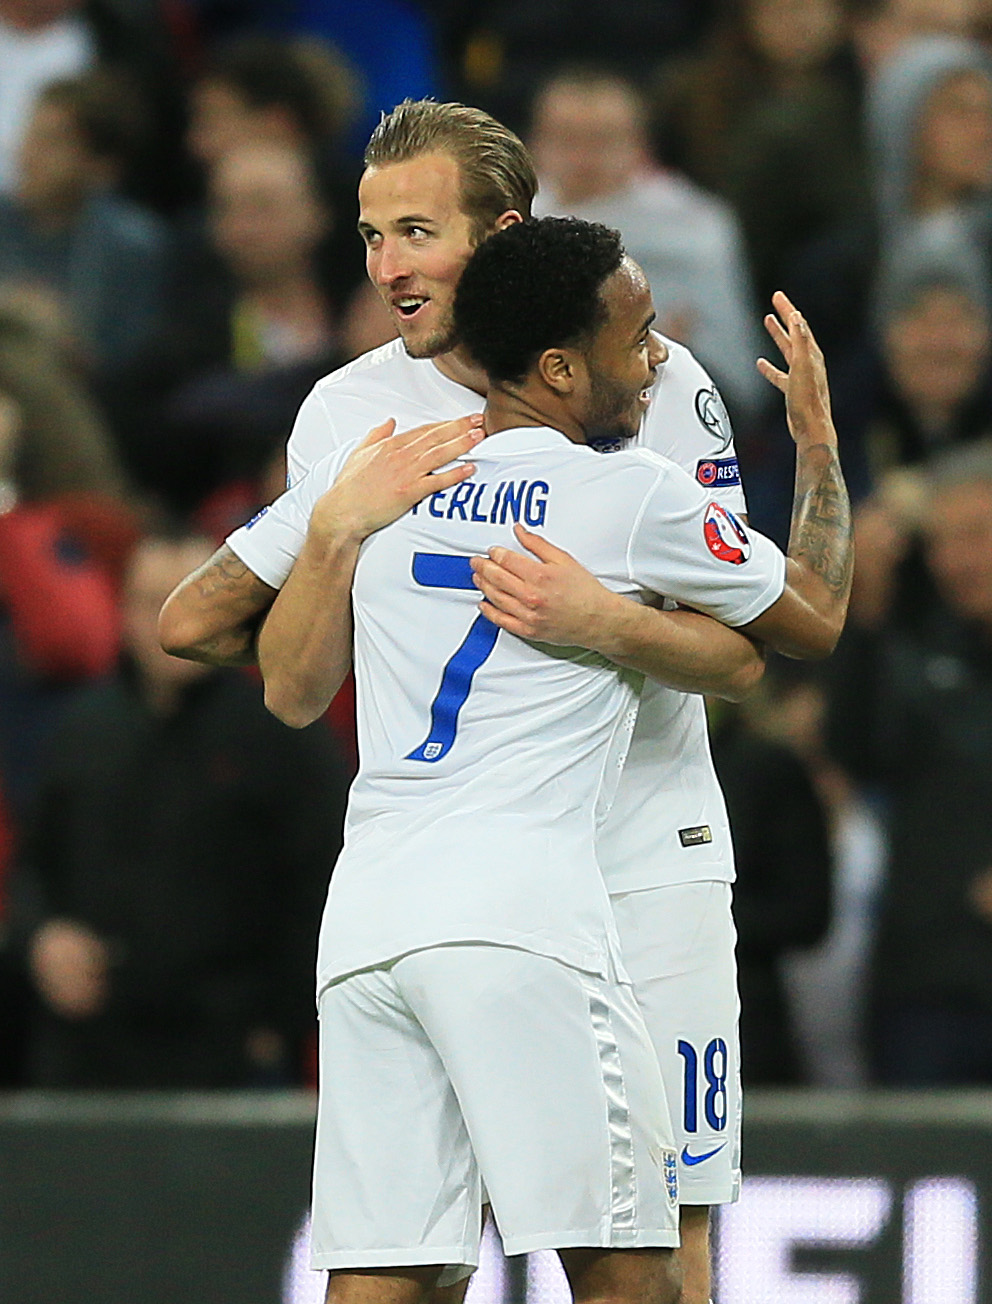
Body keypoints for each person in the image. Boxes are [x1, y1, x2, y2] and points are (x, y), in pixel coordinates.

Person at [158, 99, 851, 1304]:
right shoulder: (345, 410)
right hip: (510, 881)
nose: (387, 267)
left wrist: (603, 623)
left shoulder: (653, 377)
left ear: (505, 234)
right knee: (600, 1257)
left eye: (416, 230)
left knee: (656, 1242)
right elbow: (786, 621)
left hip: (635, 852)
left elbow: (732, 658)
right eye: (372, 235)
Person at [8, 526, 349, 1088]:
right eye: (148, 601)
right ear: (123, 610)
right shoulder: (82, 729)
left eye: (188, 595)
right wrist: (43, 939)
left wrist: (279, 1021)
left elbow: (320, 878)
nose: (165, 619)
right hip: (90, 1051)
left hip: (233, 1053)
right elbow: (33, 867)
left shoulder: (281, 729)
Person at [529, 65, 764, 418]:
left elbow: (733, 363)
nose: (582, 160)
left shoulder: (695, 226)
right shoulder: (511, 224)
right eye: (566, 140)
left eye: (602, 141)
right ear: (534, 144)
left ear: (639, 145)